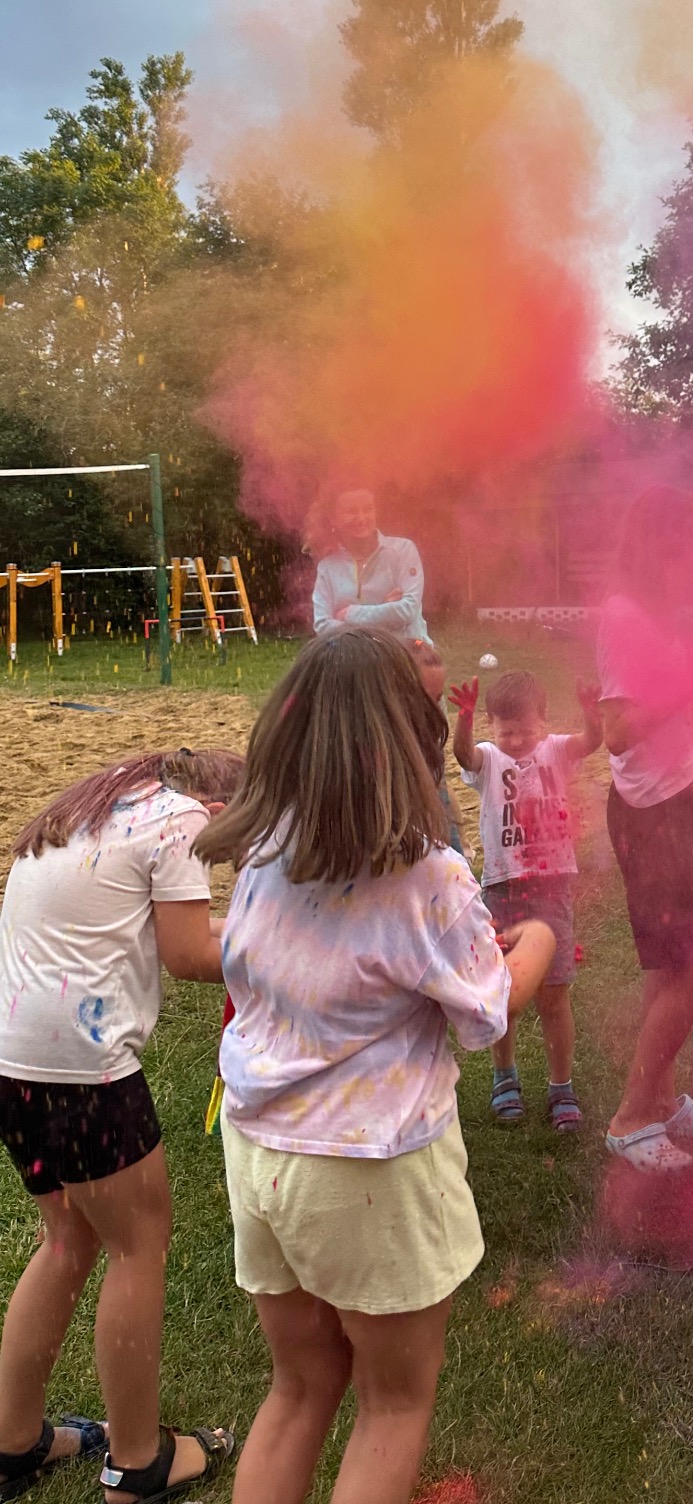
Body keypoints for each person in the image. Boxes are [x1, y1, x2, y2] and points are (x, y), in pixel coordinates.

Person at [195, 629, 554, 1504]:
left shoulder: (267, 854)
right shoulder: (427, 875)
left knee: (298, 1388)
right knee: (392, 1405)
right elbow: (488, 1009)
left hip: (261, 1158)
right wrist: (535, 939)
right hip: (370, 1168)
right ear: (411, 735)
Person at [0, 750, 242, 1502]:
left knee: (69, 1239)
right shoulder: (183, 820)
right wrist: (291, 939)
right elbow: (190, 952)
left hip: (14, 1061)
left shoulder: (98, 805)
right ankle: (138, 1462)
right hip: (86, 1070)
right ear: (219, 801)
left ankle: (11, 1443)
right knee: (140, 1247)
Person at [596, 486, 693, 1174]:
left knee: (672, 966)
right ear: (661, 546)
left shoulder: (651, 614)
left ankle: (658, 1102)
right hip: (651, 817)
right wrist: (691, 686)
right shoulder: (626, 617)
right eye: (691, 549)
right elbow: (615, 733)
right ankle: (628, 1118)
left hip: (667, 803)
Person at [451, 667, 602, 1130]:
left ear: (544, 722)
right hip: (502, 886)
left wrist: (591, 713)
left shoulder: (556, 749)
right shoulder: (490, 759)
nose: (517, 740)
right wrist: (465, 718)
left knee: (555, 992)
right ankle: (505, 1078)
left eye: (527, 730)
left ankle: (561, 1087)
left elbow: (590, 742)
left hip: (551, 885)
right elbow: (463, 753)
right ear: (494, 727)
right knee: (505, 991)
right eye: (507, 730)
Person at [309, 485, 429, 643]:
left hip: (408, 657)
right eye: (351, 511)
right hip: (355, 662)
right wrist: (385, 613)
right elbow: (323, 625)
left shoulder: (403, 550)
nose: (361, 518)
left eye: (368, 509)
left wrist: (349, 614)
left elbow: (407, 611)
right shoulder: (327, 568)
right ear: (333, 519)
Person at [406, 637, 466, 856]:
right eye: (422, 697)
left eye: (438, 698)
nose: (431, 708)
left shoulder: (430, 734)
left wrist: (458, 857)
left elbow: (442, 805)